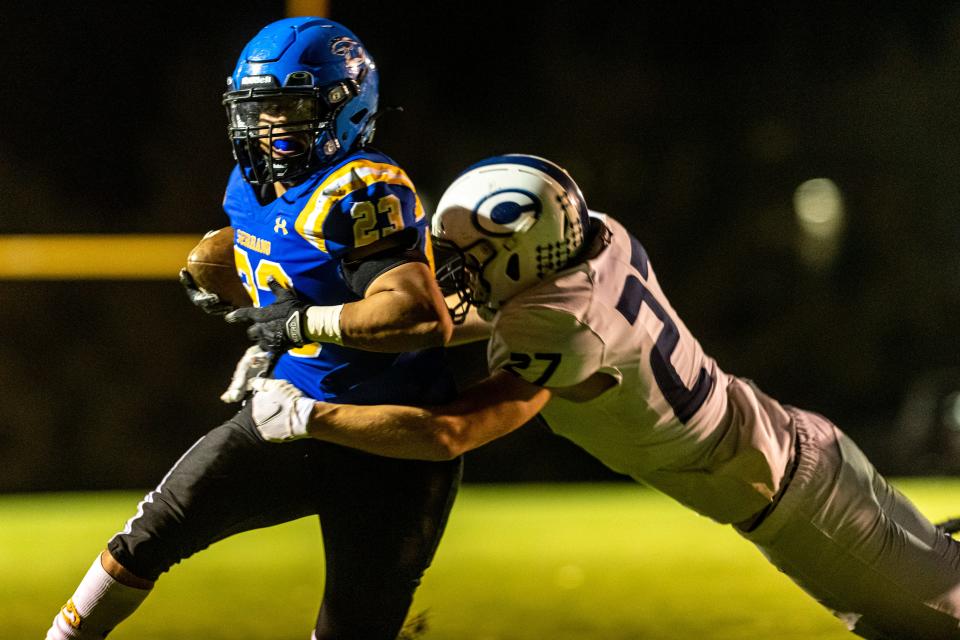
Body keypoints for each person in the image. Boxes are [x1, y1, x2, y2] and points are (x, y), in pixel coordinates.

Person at [246, 154, 960, 639]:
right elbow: (455, 319)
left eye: (468, 261)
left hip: (799, 501)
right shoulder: (595, 242)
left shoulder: (555, 325)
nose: (452, 276)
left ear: (522, 254)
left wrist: (308, 414)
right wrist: (320, 331)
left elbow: (448, 431)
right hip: (791, 459)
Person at [45, 17, 462, 640]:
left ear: (345, 107)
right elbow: (284, 266)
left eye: (289, 107)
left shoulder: (361, 188)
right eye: (258, 109)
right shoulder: (249, 185)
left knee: (353, 628)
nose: (268, 127)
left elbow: (416, 314)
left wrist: (299, 323)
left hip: (389, 434)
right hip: (286, 411)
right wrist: (240, 289)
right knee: (149, 534)